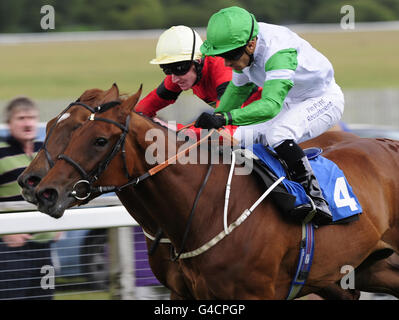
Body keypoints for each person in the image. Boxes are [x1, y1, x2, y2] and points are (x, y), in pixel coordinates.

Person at [195, 6, 345, 224]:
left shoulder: (278, 50)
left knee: (279, 134)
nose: (227, 63)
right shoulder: (243, 45)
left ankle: (316, 199)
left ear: (251, 44)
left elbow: (271, 106)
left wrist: (224, 119)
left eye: (230, 56)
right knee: (237, 138)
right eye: (222, 57)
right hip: (291, 101)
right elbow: (238, 90)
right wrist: (215, 119)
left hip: (323, 99)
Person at [134, 25, 262, 137]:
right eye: (167, 69)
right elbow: (142, 110)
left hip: (267, 120)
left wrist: (170, 130)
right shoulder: (184, 73)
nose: (173, 78)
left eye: (179, 68)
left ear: (198, 61)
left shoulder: (223, 70)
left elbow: (225, 132)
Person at [0, 97, 58, 300]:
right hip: (10, 251)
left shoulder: (46, 151)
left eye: (32, 118)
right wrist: (4, 232)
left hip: (44, 249)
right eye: (21, 118)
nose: (27, 123)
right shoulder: (1, 153)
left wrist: (61, 222)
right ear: (9, 123)